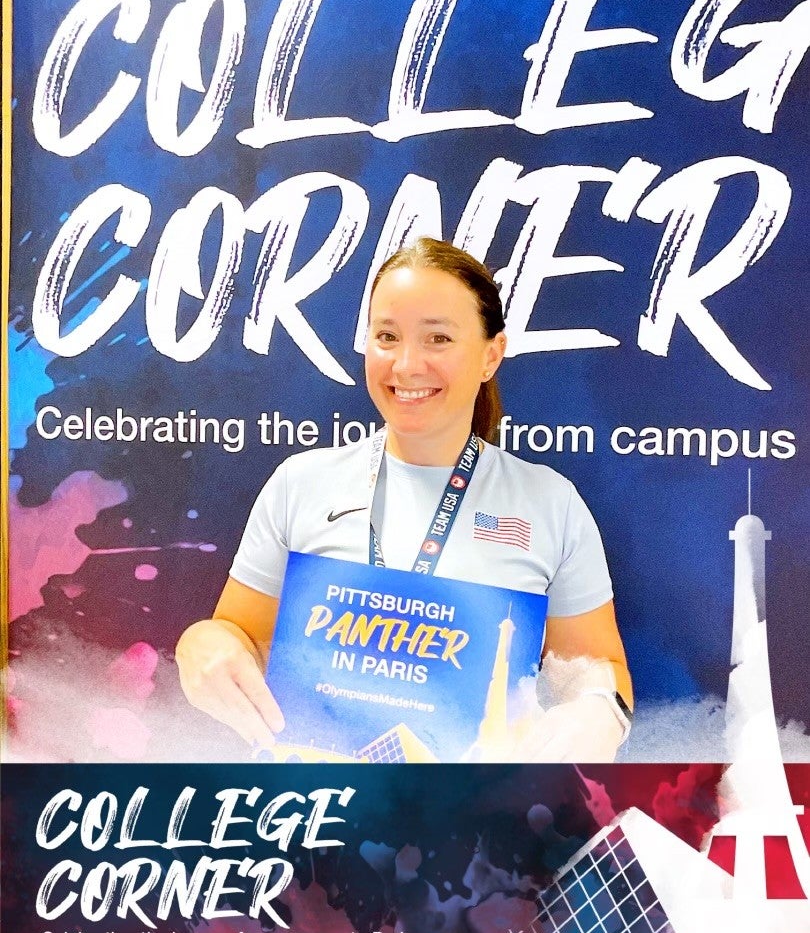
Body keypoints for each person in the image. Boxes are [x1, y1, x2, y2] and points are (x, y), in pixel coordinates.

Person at [176, 237, 632, 761]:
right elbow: (241, 638)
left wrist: (600, 711)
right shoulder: (300, 484)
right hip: (308, 809)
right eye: (386, 336)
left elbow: (600, 667)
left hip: (476, 820)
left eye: (438, 338)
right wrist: (201, 645)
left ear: (491, 355)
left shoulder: (551, 504)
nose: (407, 364)